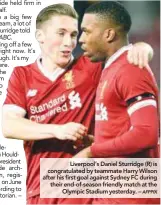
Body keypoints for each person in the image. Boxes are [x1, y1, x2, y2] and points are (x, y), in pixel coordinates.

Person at [2, 3, 155, 205]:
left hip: (85, 187)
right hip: (42, 187)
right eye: (61, 33)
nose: (70, 42)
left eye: (74, 34)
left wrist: (142, 48)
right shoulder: (22, 75)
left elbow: (122, 56)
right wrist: (57, 130)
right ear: (40, 36)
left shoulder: (88, 67)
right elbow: (8, 126)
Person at [73, 1, 159, 204]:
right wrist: (99, 141)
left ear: (109, 34)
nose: (81, 40)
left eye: (86, 31)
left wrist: (92, 151)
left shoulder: (131, 69)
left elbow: (146, 133)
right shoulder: (110, 68)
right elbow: (125, 128)